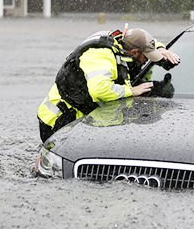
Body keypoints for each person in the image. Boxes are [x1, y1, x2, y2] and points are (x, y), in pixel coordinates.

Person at [37, 27, 180, 142]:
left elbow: (145, 40)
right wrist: (131, 91)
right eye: (146, 57)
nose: (146, 61)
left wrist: (160, 49)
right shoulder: (102, 55)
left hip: (81, 116)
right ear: (135, 52)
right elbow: (99, 90)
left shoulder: (123, 41)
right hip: (57, 120)